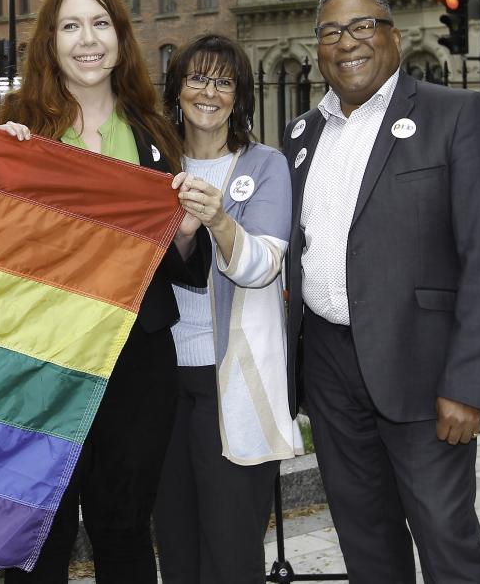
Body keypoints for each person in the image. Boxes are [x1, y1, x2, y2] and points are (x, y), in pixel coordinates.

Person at [283, 0, 480, 583]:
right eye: (332, 32)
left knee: (447, 540)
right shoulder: (303, 135)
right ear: (318, 50)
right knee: (366, 542)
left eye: (363, 26)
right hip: (332, 372)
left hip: (423, 371)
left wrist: (469, 384)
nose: (348, 43)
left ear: (393, 35)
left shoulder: (455, 114)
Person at [0, 0, 208, 583]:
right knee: (38, 532)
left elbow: (178, 261)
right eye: (70, 26)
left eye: (100, 24)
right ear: (49, 44)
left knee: (125, 528)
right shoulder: (14, 126)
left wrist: (187, 229)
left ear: (120, 38)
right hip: (40, 359)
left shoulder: (155, 134)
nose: (88, 40)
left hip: (136, 359)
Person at [153, 35, 300, 583]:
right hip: (161, 382)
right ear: (177, 89)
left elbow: (262, 264)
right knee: (176, 544)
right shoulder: (152, 161)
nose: (209, 92)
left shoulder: (265, 166)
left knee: (232, 550)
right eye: (197, 78)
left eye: (224, 82)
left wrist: (218, 220)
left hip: (232, 383)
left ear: (239, 97)